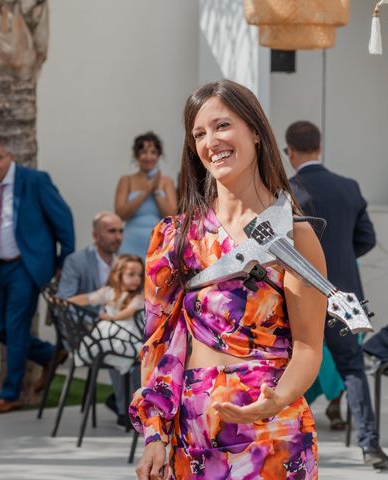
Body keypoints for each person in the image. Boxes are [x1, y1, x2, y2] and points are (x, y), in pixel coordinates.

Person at [130, 80, 326, 480]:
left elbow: (308, 347)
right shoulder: (174, 237)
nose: (210, 141)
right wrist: (154, 436)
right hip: (196, 429)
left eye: (222, 126)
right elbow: (160, 344)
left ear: (255, 130)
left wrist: (277, 400)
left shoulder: (295, 235)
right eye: (199, 134)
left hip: (273, 431)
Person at [286, 120, 388, 468]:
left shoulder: (285, 192)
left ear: (290, 153)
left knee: (286, 369)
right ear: (319, 148)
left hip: (299, 298)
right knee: (352, 369)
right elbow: (368, 239)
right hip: (345, 295)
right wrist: (342, 262)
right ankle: (370, 446)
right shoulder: (349, 187)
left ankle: (286, 446)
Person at [0, 135, 75, 413]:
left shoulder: (35, 180)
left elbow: (63, 220)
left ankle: (10, 395)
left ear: (10, 157)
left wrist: (61, 263)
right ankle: (49, 355)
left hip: (26, 267)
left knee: (16, 327)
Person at [67, 254, 145, 427]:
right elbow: (87, 299)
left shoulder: (138, 298)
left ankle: (128, 407)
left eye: (140, 275)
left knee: (134, 362)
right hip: (110, 340)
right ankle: (123, 406)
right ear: (118, 274)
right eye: (131, 274)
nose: (136, 280)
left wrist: (111, 317)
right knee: (114, 353)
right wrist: (66, 302)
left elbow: (128, 313)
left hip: (127, 339)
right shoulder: (109, 292)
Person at [115, 132, 177, 259]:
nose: (148, 157)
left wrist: (156, 191)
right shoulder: (126, 180)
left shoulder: (166, 182)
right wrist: (145, 191)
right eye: (144, 152)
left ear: (158, 156)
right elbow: (121, 213)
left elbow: (172, 216)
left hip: (159, 243)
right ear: (137, 155)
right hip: (130, 243)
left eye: (153, 152)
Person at [56, 211, 124, 299]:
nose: (118, 237)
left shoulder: (124, 261)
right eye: (112, 231)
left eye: (121, 231)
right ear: (95, 235)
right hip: (87, 312)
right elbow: (64, 301)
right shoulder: (76, 261)